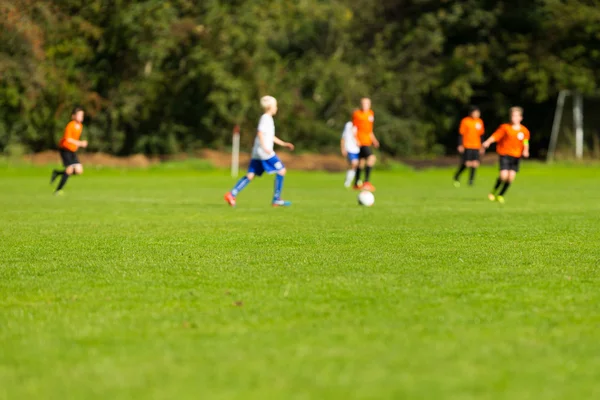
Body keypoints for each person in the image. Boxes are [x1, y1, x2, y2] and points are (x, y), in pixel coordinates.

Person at [224, 96, 295, 207]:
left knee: (251, 175)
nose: (276, 108)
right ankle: (276, 199)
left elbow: (270, 136)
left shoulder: (267, 118)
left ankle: (232, 194)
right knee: (281, 170)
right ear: (270, 107)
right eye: (275, 106)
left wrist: (283, 144)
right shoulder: (266, 118)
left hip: (257, 152)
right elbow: (260, 133)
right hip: (264, 152)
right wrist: (265, 147)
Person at [482, 107, 530, 204]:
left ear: (521, 118)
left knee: (510, 177)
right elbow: (496, 136)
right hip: (505, 154)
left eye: (516, 116)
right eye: (512, 115)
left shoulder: (524, 131)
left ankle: (500, 195)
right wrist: (487, 142)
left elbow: (525, 142)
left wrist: (526, 150)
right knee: (503, 176)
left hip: (516, 156)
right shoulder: (505, 127)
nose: (514, 118)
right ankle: (493, 191)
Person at [50, 107, 87, 195]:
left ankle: (57, 173)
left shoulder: (80, 126)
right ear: (73, 116)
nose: (82, 117)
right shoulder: (70, 125)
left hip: (72, 150)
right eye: (80, 115)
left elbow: (74, 139)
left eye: (82, 115)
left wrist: (77, 145)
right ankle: (58, 190)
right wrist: (80, 143)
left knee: (79, 171)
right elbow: (67, 139)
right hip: (65, 149)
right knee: (69, 169)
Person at [352, 98, 380, 192]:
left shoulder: (371, 114)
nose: (364, 105)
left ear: (369, 104)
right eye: (363, 103)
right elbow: (354, 128)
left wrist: (374, 140)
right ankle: (366, 182)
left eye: (366, 103)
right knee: (371, 158)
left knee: (361, 162)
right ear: (360, 104)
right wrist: (356, 140)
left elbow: (369, 130)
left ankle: (356, 183)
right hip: (361, 141)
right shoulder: (357, 114)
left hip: (368, 141)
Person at [453, 106, 485, 187]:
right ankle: (457, 175)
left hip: (476, 145)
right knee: (467, 163)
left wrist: (482, 146)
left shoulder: (480, 122)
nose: (477, 114)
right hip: (467, 145)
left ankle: (471, 180)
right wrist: (460, 144)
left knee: (475, 163)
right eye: (475, 112)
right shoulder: (465, 121)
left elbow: (481, 135)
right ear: (471, 113)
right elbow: (461, 134)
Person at [340, 120, 360, 188]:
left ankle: (357, 179)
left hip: (359, 148)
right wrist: (343, 148)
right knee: (354, 163)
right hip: (350, 148)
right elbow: (343, 137)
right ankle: (348, 181)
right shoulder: (349, 124)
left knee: (358, 165)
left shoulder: (362, 123)